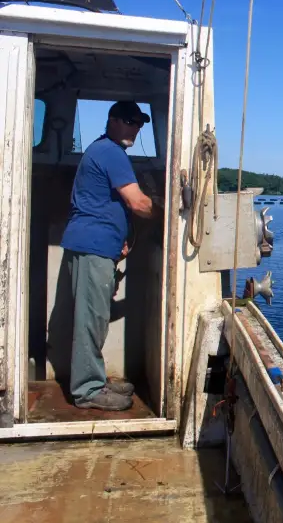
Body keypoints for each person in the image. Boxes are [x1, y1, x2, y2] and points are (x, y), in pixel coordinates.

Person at [60, 101, 162, 411]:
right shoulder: (111, 152)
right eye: (130, 121)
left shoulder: (104, 149)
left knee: (97, 317)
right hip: (92, 246)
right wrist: (167, 215)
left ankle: (95, 379)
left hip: (98, 246)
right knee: (91, 320)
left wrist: (120, 240)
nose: (136, 127)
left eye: (140, 123)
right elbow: (137, 203)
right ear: (113, 120)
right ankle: (87, 390)